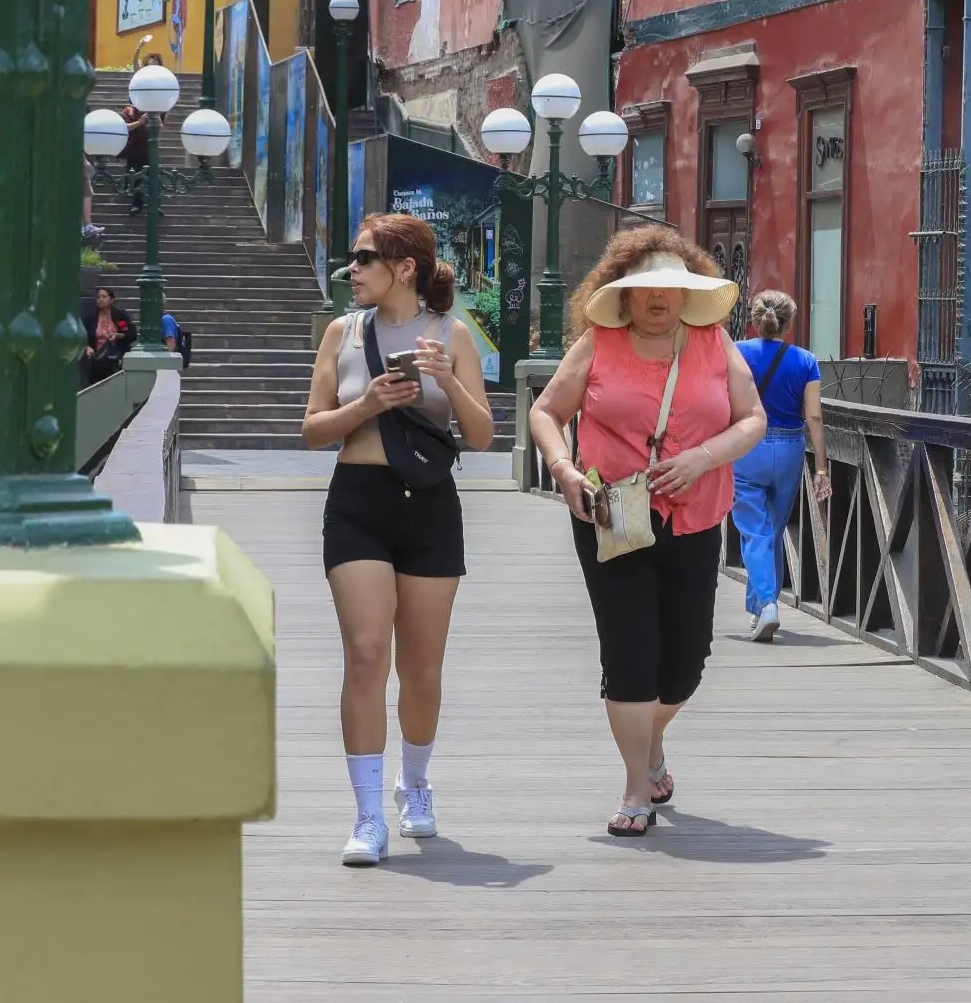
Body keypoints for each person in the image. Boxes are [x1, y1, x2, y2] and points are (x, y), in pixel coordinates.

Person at [529, 227, 765, 838]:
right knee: (629, 651)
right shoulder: (597, 345)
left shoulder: (715, 344)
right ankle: (637, 785)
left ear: (688, 295)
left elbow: (754, 420)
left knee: (687, 659)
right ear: (623, 296)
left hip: (696, 518)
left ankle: (651, 738)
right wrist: (562, 466)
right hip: (613, 516)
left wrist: (703, 458)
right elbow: (546, 412)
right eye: (645, 288)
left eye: (671, 287)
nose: (659, 297)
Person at [301, 212, 495, 867]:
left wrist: (447, 379)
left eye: (362, 259)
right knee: (364, 653)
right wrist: (367, 406)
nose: (350, 270)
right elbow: (312, 430)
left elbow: (485, 434)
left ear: (403, 267)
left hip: (431, 507)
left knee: (421, 669)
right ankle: (366, 817)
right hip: (358, 504)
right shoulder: (341, 333)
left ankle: (414, 783)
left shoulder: (452, 334)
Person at [732, 291, 832, 642]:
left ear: (754, 320)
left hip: (747, 445)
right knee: (772, 529)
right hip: (790, 448)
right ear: (790, 323)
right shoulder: (806, 360)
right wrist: (821, 468)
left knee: (755, 530)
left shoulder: (736, 353)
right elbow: (815, 415)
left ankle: (768, 604)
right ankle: (759, 608)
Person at [84, 287, 136, 384]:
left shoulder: (119, 316)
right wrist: (87, 347)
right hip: (97, 361)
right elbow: (83, 337)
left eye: (104, 297)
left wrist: (117, 335)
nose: (100, 299)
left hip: (116, 360)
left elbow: (131, 334)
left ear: (112, 299)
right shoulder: (91, 318)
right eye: (98, 297)